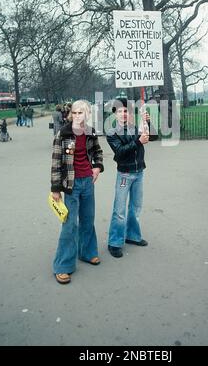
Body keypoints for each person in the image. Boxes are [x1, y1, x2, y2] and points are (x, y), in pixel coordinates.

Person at [51, 100, 104, 284]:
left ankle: (87, 252)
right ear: (71, 114)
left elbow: (98, 151)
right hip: (70, 185)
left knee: (88, 219)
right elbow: (56, 162)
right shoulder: (63, 133)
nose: (77, 115)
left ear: (87, 114)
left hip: (88, 182)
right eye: (74, 112)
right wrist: (55, 188)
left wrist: (97, 167)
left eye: (81, 112)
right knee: (70, 225)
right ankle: (63, 266)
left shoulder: (90, 132)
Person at [106, 98, 157, 258]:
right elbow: (120, 152)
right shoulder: (112, 133)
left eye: (126, 111)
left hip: (139, 172)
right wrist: (138, 142)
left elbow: (153, 137)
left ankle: (132, 236)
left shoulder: (136, 128)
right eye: (119, 111)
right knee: (119, 211)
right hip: (124, 174)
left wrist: (148, 122)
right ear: (115, 114)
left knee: (135, 208)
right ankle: (114, 242)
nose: (123, 114)